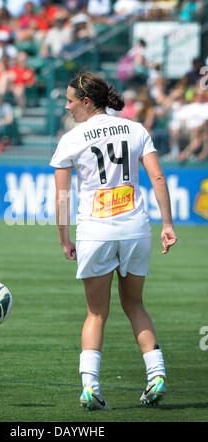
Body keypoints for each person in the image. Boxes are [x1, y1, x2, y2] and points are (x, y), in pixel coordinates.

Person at [50, 72, 177, 410]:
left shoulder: (71, 138)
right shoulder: (136, 129)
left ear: (87, 102)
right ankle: (157, 375)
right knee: (135, 305)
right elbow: (158, 176)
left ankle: (90, 387)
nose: (67, 105)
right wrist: (167, 223)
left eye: (70, 100)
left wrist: (64, 237)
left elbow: (62, 196)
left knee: (96, 313)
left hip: (95, 232)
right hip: (135, 228)